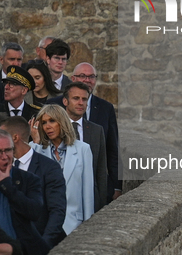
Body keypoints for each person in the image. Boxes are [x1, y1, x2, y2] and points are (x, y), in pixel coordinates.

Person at [48, 62, 121, 202]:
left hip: (93, 186)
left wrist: (116, 186)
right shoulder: (52, 106)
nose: (87, 80)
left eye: (91, 76)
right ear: (73, 78)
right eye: (82, 76)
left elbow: (112, 149)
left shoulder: (106, 108)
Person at [1, 116, 67, 248]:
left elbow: (57, 211)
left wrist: (42, 245)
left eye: (2, 136)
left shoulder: (49, 168)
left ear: (15, 138)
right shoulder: (1, 166)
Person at [30, 104, 94, 235]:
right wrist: (36, 143)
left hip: (73, 225)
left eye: (52, 121)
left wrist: (87, 229)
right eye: (44, 123)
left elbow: (87, 193)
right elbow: (31, 180)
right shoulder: (35, 148)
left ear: (62, 122)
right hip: (45, 226)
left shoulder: (83, 149)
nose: (48, 126)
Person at [62, 82, 108, 212]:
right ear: (65, 101)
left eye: (84, 99)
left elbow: (101, 170)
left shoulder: (97, 130)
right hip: (63, 199)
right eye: (76, 98)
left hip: (90, 199)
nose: (81, 103)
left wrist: (101, 202)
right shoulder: (55, 129)